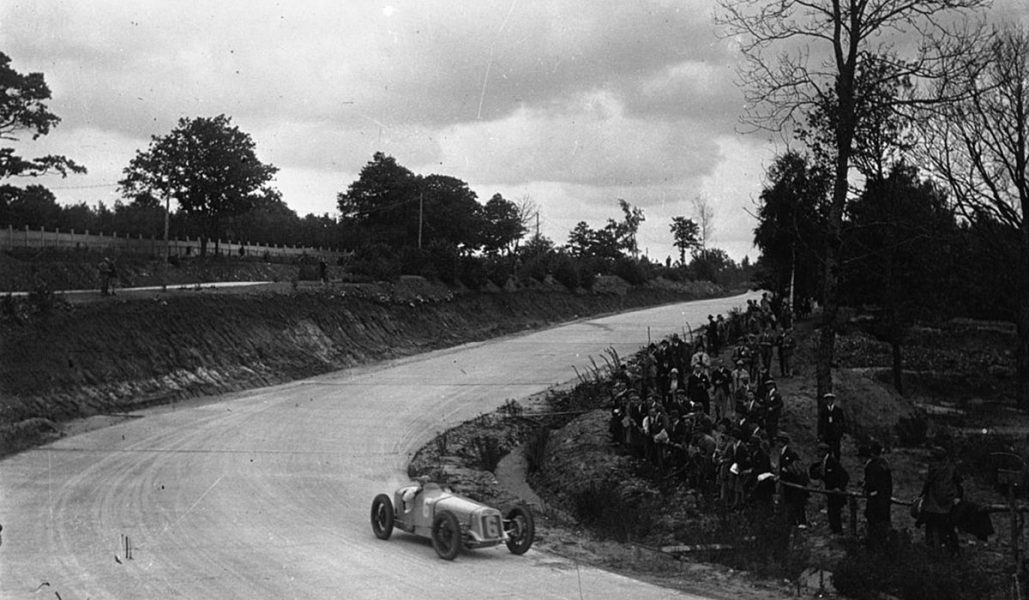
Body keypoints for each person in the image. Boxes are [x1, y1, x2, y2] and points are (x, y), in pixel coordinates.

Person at [920, 445, 962, 555]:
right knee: (949, 524)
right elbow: (959, 480)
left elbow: (928, 481)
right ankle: (954, 548)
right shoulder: (951, 466)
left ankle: (931, 543)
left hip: (936, 499)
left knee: (928, 515)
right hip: (949, 498)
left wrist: (922, 494)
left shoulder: (934, 466)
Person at [863, 439, 893, 549]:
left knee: (873, 522)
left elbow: (871, 484)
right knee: (884, 521)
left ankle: (874, 546)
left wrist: (868, 491)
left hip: (875, 499)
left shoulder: (871, 466)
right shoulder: (885, 464)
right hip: (885, 498)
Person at [777, 434, 809, 528]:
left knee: (797, 502)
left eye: (779, 441)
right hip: (786, 482)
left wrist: (786, 470)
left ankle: (802, 521)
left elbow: (794, 468)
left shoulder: (790, 453)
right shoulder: (782, 452)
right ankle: (792, 521)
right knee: (789, 502)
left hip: (794, 482)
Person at [819, 443, 850, 534]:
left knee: (835, 512)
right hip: (830, 491)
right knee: (831, 511)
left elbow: (844, 476)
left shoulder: (833, 462)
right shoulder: (823, 462)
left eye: (821, 451)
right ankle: (833, 530)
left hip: (836, 492)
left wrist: (839, 487)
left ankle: (838, 531)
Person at [818, 393, 847, 459]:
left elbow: (842, 422)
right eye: (828, 400)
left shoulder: (838, 410)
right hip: (826, 434)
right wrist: (820, 433)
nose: (829, 401)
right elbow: (821, 423)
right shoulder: (823, 411)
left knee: (836, 451)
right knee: (827, 451)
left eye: (831, 399)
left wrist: (841, 432)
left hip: (836, 434)